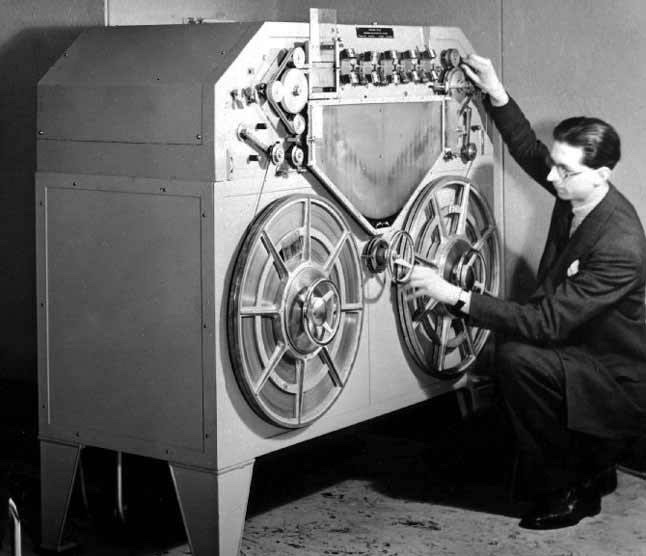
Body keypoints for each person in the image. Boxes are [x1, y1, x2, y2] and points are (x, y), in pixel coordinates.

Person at [409, 53, 646, 530]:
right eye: (555, 167)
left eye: (564, 171)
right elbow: (526, 147)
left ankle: (569, 490)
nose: (551, 176)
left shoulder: (621, 243)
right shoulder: (576, 187)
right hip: (579, 355)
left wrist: (452, 294)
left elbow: (546, 324)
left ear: (603, 175)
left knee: (517, 358)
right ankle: (591, 468)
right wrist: (495, 90)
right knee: (514, 365)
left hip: (614, 382)